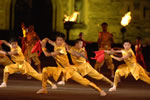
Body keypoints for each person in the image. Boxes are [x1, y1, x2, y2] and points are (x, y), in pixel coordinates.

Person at [36, 33, 107, 96]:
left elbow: (47, 54)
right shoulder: (57, 44)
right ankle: (44, 89)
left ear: (63, 41)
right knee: (45, 70)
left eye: (61, 40)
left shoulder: (61, 50)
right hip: (60, 69)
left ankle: (100, 90)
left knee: (84, 82)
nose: (59, 42)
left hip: (68, 70)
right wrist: (45, 39)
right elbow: (49, 41)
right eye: (58, 40)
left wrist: (43, 46)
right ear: (56, 40)